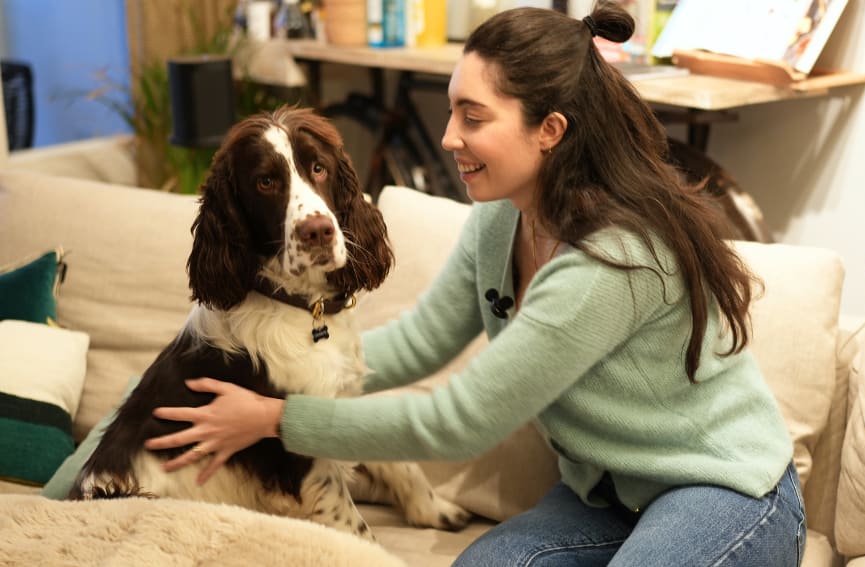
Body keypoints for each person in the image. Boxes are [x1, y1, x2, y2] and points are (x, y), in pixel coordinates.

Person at [46, 2, 806, 565]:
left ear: (550, 130)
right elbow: (416, 341)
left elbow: (458, 420)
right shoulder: (502, 220)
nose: (448, 139)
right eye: (450, 112)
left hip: (723, 489)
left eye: (472, 117)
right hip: (605, 496)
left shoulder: (615, 261)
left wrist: (275, 417)